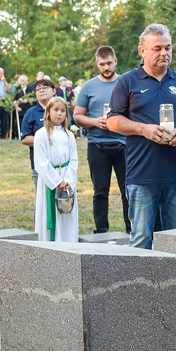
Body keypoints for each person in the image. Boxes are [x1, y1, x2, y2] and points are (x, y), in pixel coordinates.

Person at [107, 23, 176, 249]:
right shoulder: (127, 81)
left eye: (168, 48)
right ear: (142, 51)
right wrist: (144, 129)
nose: (164, 53)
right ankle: (140, 275)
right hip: (142, 174)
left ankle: (175, 274)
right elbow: (112, 121)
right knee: (141, 238)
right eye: (157, 48)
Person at [73, 46, 130, 234]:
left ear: (116, 61)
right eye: (102, 64)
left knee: (128, 190)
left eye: (109, 63)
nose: (106, 67)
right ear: (97, 64)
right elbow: (77, 116)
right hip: (97, 144)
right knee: (100, 191)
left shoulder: (126, 83)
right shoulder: (88, 87)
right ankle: (101, 231)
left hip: (124, 144)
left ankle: (131, 230)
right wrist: (95, 122)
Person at [34, 97, 80, 242]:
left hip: (67, 179)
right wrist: (57, 182)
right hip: (50, 180)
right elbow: (41, 162)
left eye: (63, 111)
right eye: (56, 110)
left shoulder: (69, 135)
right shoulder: (41, 134)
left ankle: (68, 242)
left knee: (66, 215)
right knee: (50, 211)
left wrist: (68, 181)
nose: (59, 114)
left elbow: (73, 160)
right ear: (48, 112)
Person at [20, 79, 61, 181]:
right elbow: (25, 139)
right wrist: (47, 140)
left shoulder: (63, 110)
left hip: (62, 164)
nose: (41, 90)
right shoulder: (31, 113)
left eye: (44, 87)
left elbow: (72, 131)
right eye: (38, 89)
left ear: (54, 91)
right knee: (42, 192)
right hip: (40, 165)